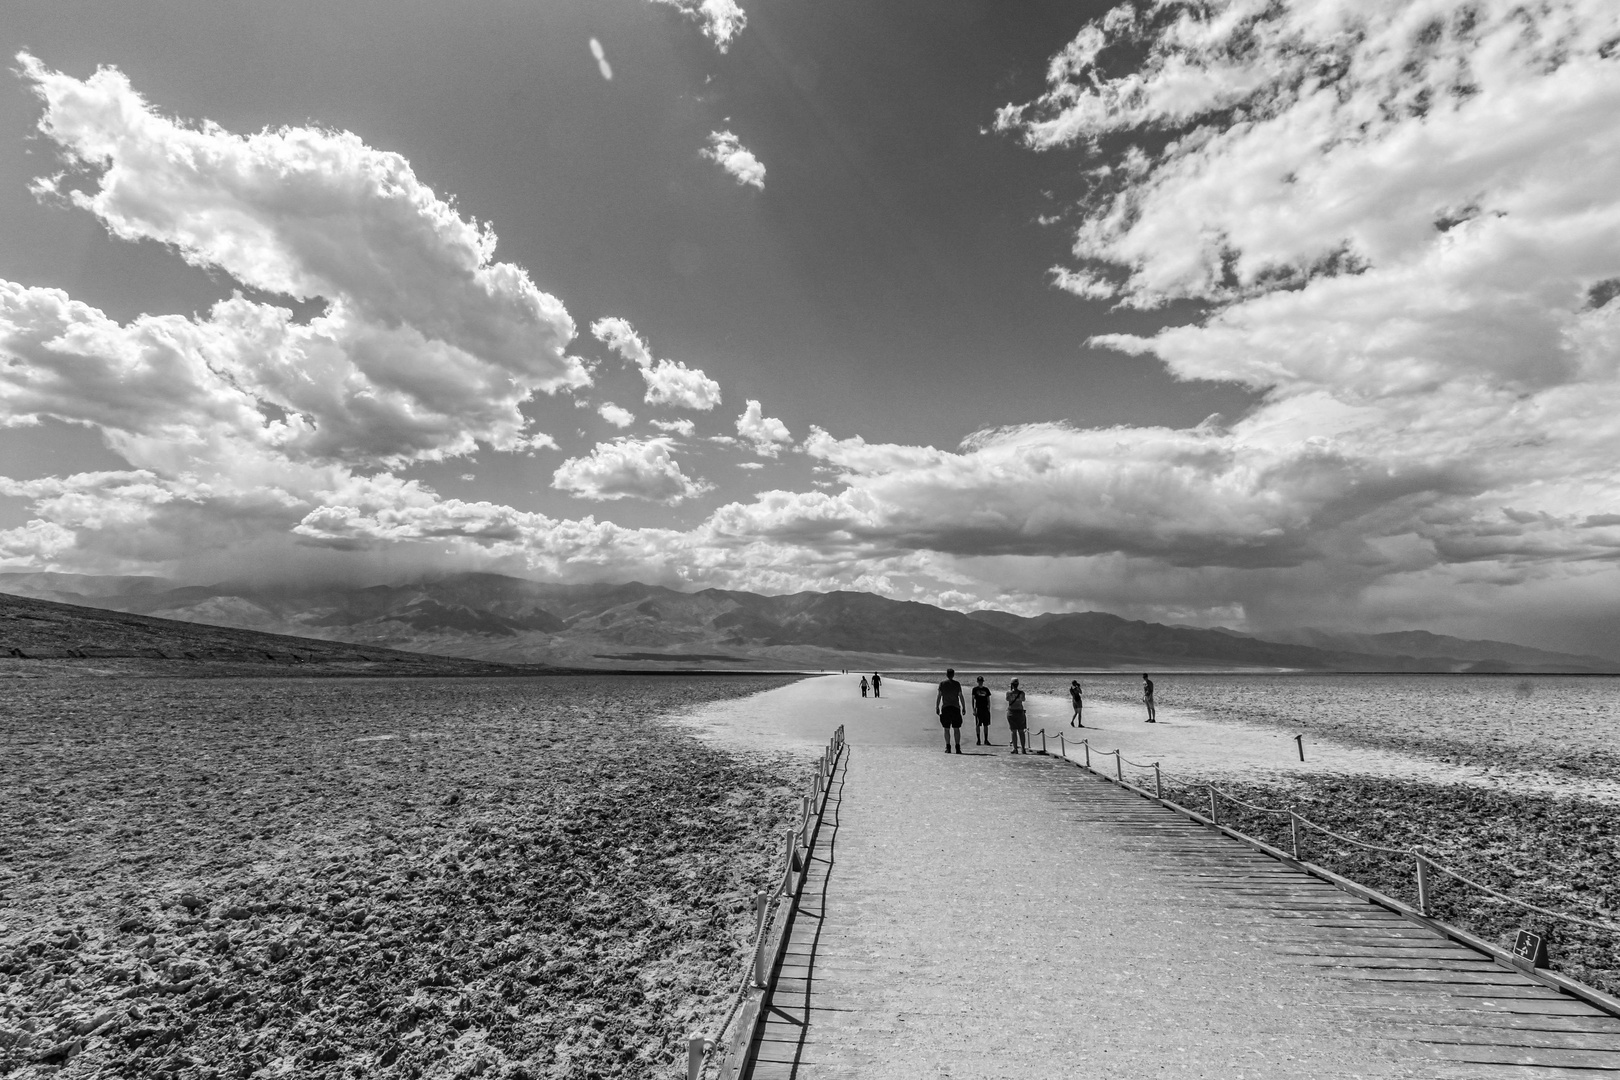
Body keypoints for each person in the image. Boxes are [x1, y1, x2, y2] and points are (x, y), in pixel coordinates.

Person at [936, 668, 965, 754]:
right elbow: (961, 696)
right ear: (953, 674)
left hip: (946, 708)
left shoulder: (942, 684)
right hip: (955, 708)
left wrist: (937, 706)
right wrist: (963, 707)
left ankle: (948, 747)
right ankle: (957, 747)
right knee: (956, 728)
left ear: (946, 674)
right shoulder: (957, 684)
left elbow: (939, 696)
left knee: (946, 728)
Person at [1006, 678, 1029, 754]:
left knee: (1013, 731)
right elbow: (1023, 699)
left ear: (1011, 685)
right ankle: (1023, 748)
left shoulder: (1008, 693)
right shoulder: (1022, 693)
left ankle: (1015, 748)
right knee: (1021, 731)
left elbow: (1007, 699)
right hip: (1020, 712)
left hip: (1012, 712)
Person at [971, 676, 993, 745]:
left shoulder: (986, 689)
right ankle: (978, 740)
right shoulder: (975, 689)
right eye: (979, 681)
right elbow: (973, 700)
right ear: (977, 682)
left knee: (986, 724)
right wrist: (973, 709)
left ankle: (986, 739)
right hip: (978, 708)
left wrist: (989, 708)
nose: (980, 682)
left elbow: (988, 700)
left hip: (985, 708)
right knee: (978, 724)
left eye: (981, 681)